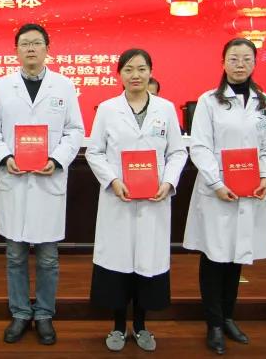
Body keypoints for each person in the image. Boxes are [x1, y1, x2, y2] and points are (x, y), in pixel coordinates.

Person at [0, 23, 85, 345]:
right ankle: (19, 313)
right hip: (15, 179)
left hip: (47, 180)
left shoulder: (64, 86)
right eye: (24, 43)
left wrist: (57, 159)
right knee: (14, 255)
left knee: (48, 258)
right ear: (16, 50)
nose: (30, 48)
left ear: (47, 49)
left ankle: (44, 315)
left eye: (36, 43)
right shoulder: (1, 86)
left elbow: (75, 131)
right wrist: (4, 157)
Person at [85, 49, 188, 352]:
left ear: (151, 72)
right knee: (119, 265)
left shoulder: (165, 109)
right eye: (129, 69)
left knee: (146, 263)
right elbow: (94, 152)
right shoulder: (107, 109)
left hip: (154, 200)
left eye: (142, 69)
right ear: (119, 74)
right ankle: (118, 327)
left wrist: (168, 182)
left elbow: (177, 152)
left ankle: (141, 326)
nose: (135, 75)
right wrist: (112, 180)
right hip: (119, 199)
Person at [183, 37, 266, 355]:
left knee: (237, 256)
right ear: (223, 63)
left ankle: (228, 317)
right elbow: (200, 146)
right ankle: (213, 323)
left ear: (255, 63)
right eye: (234, 58)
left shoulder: (264, 102)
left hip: (250, 191)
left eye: (246, 59)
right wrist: (217, 183)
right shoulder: (209, 101)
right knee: (214, 257)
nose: (240, 64)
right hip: (218, 192)